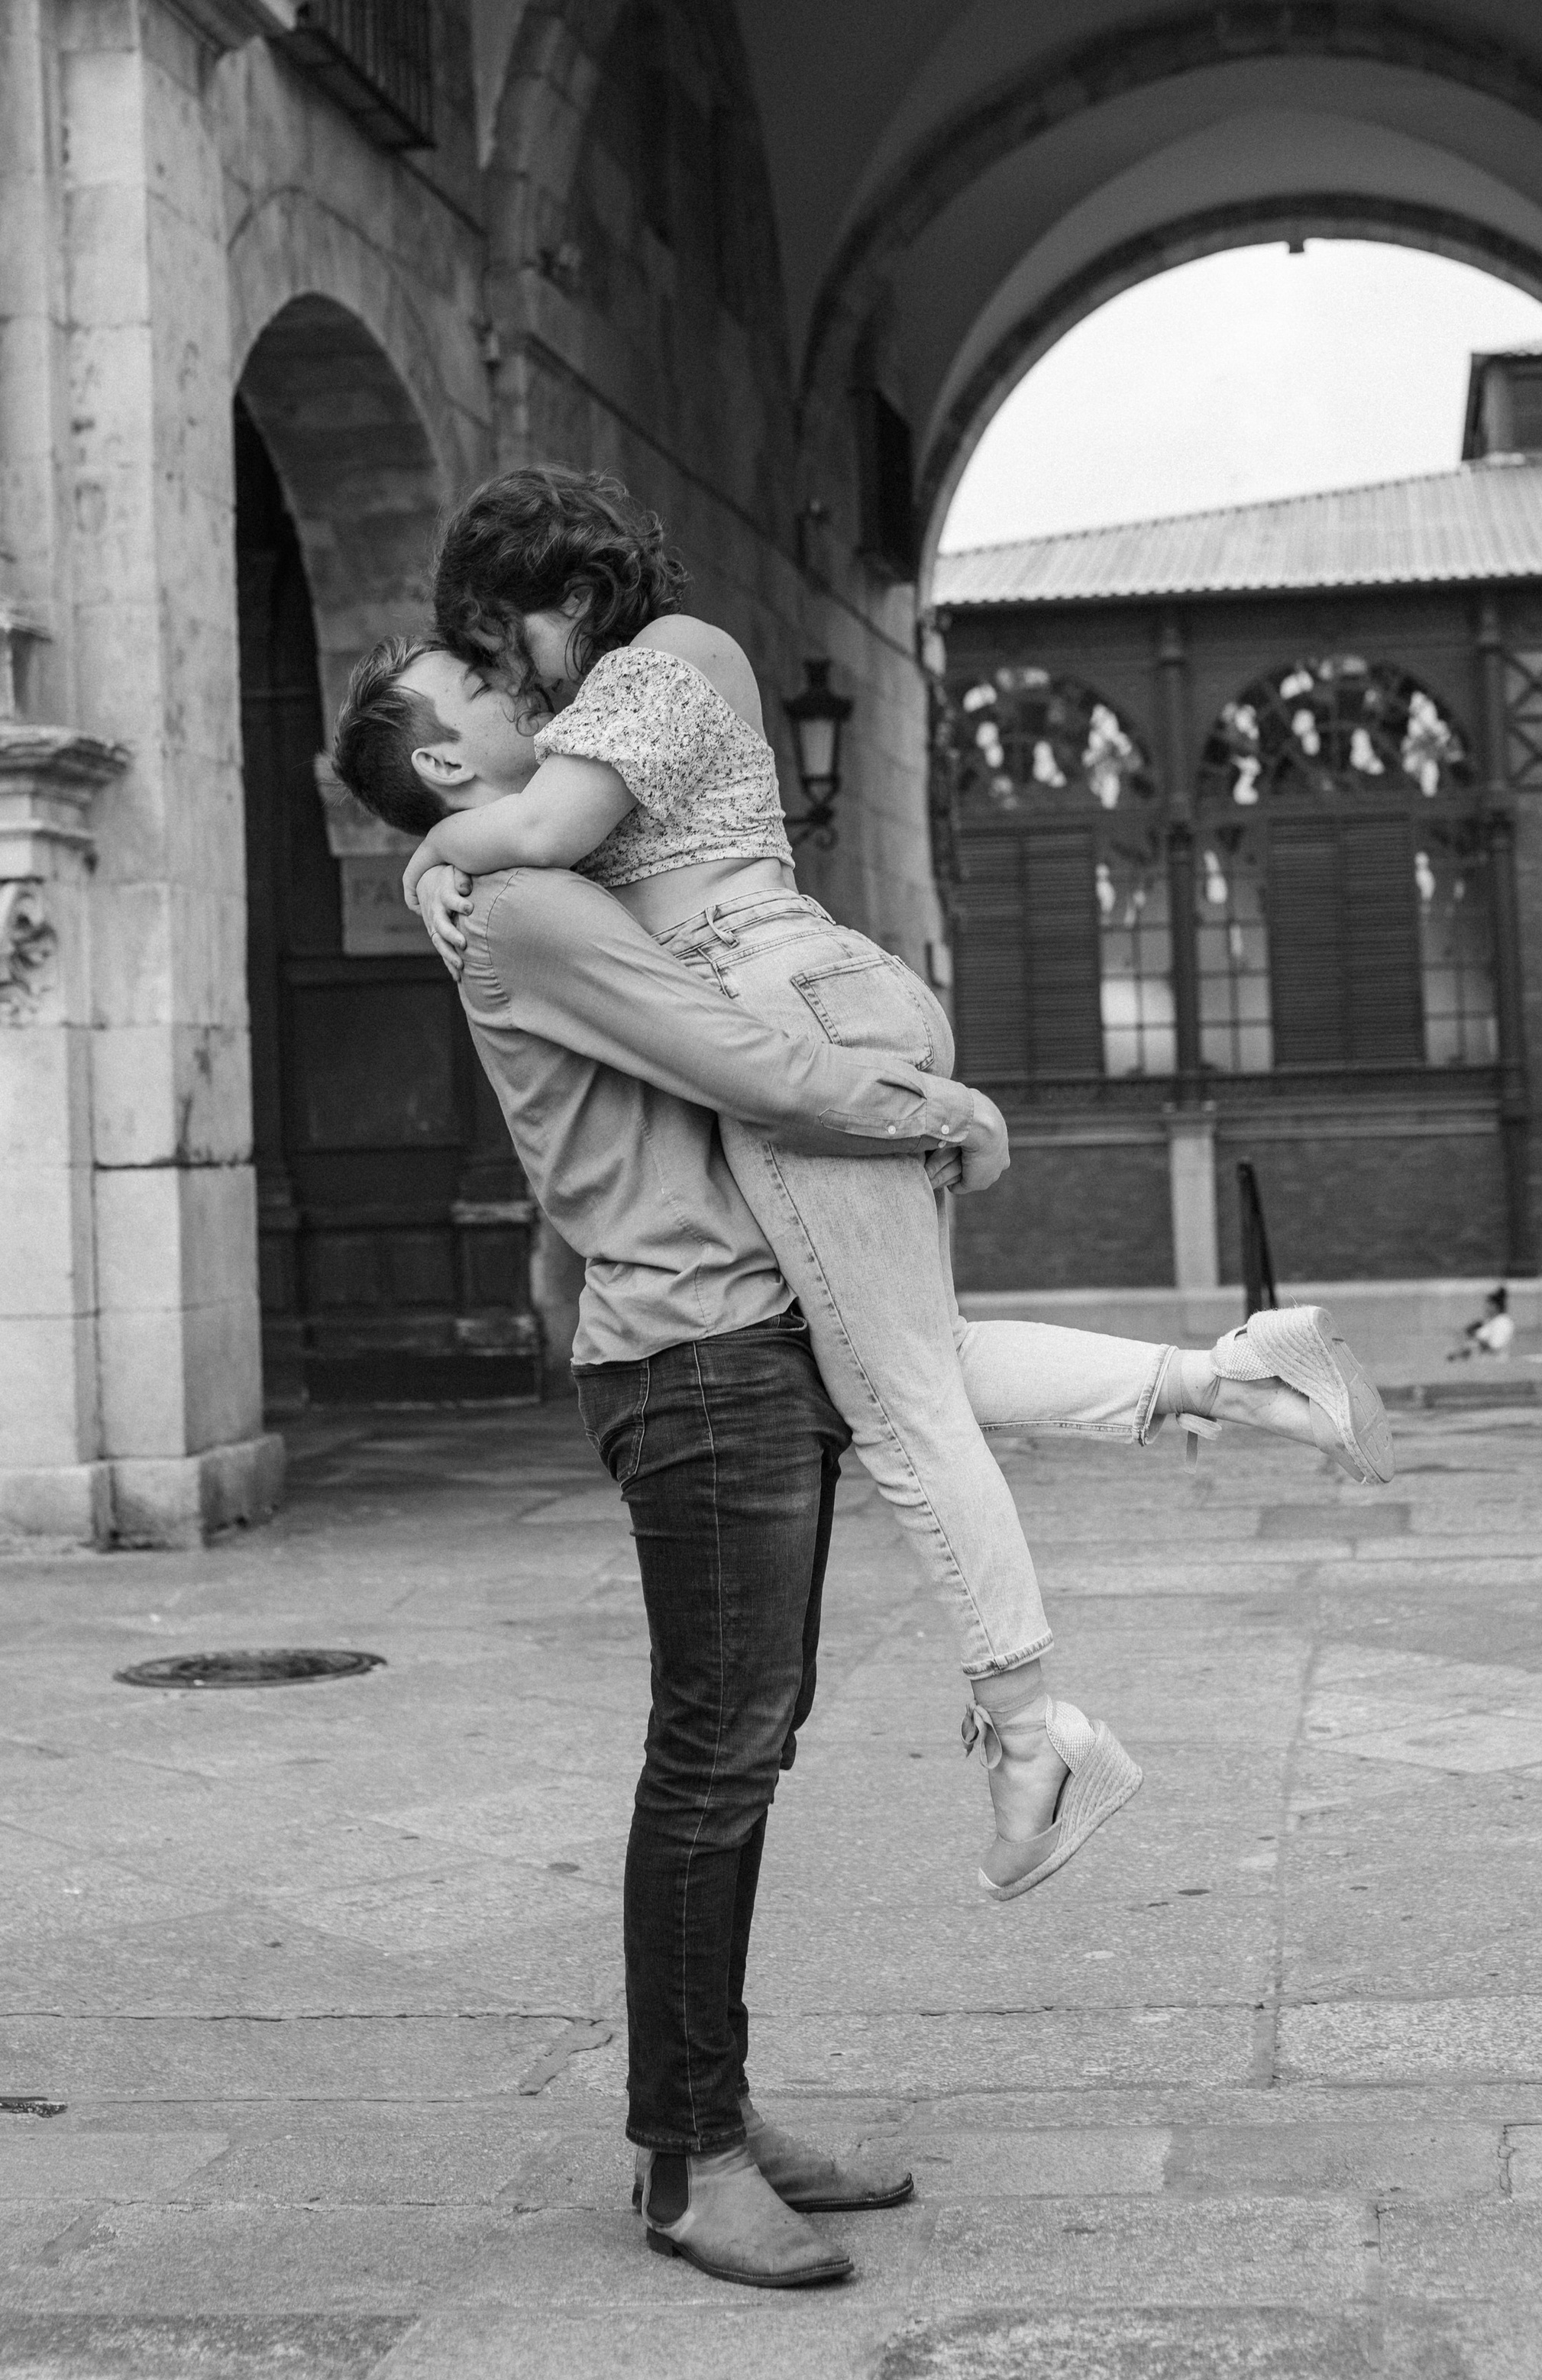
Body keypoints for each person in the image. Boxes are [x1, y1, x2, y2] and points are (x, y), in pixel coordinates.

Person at [327, 627, 1385, 2286]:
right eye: (472, 691)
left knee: (752, 1733)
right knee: (715, 1754)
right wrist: (939, 1112)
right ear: (447, 762)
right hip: (690, 1355)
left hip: (749, 1331)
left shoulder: (529, 867)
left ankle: (718, 2112)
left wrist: (435, 857)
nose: (516, 693)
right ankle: (685, 2158)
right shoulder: (528, 902)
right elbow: (737, 1060)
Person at [386, 472, 1392, 1861]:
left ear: (563, 599)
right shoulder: (623, 701)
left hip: (782, 1000)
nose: (527, 691)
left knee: (903, 1406)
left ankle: (1036, 1738)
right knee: (909, 1358)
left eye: (513, 650)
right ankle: (1237, 1379)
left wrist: (432, 846)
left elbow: (547, 834)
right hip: (805, 993)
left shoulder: (666, 660)